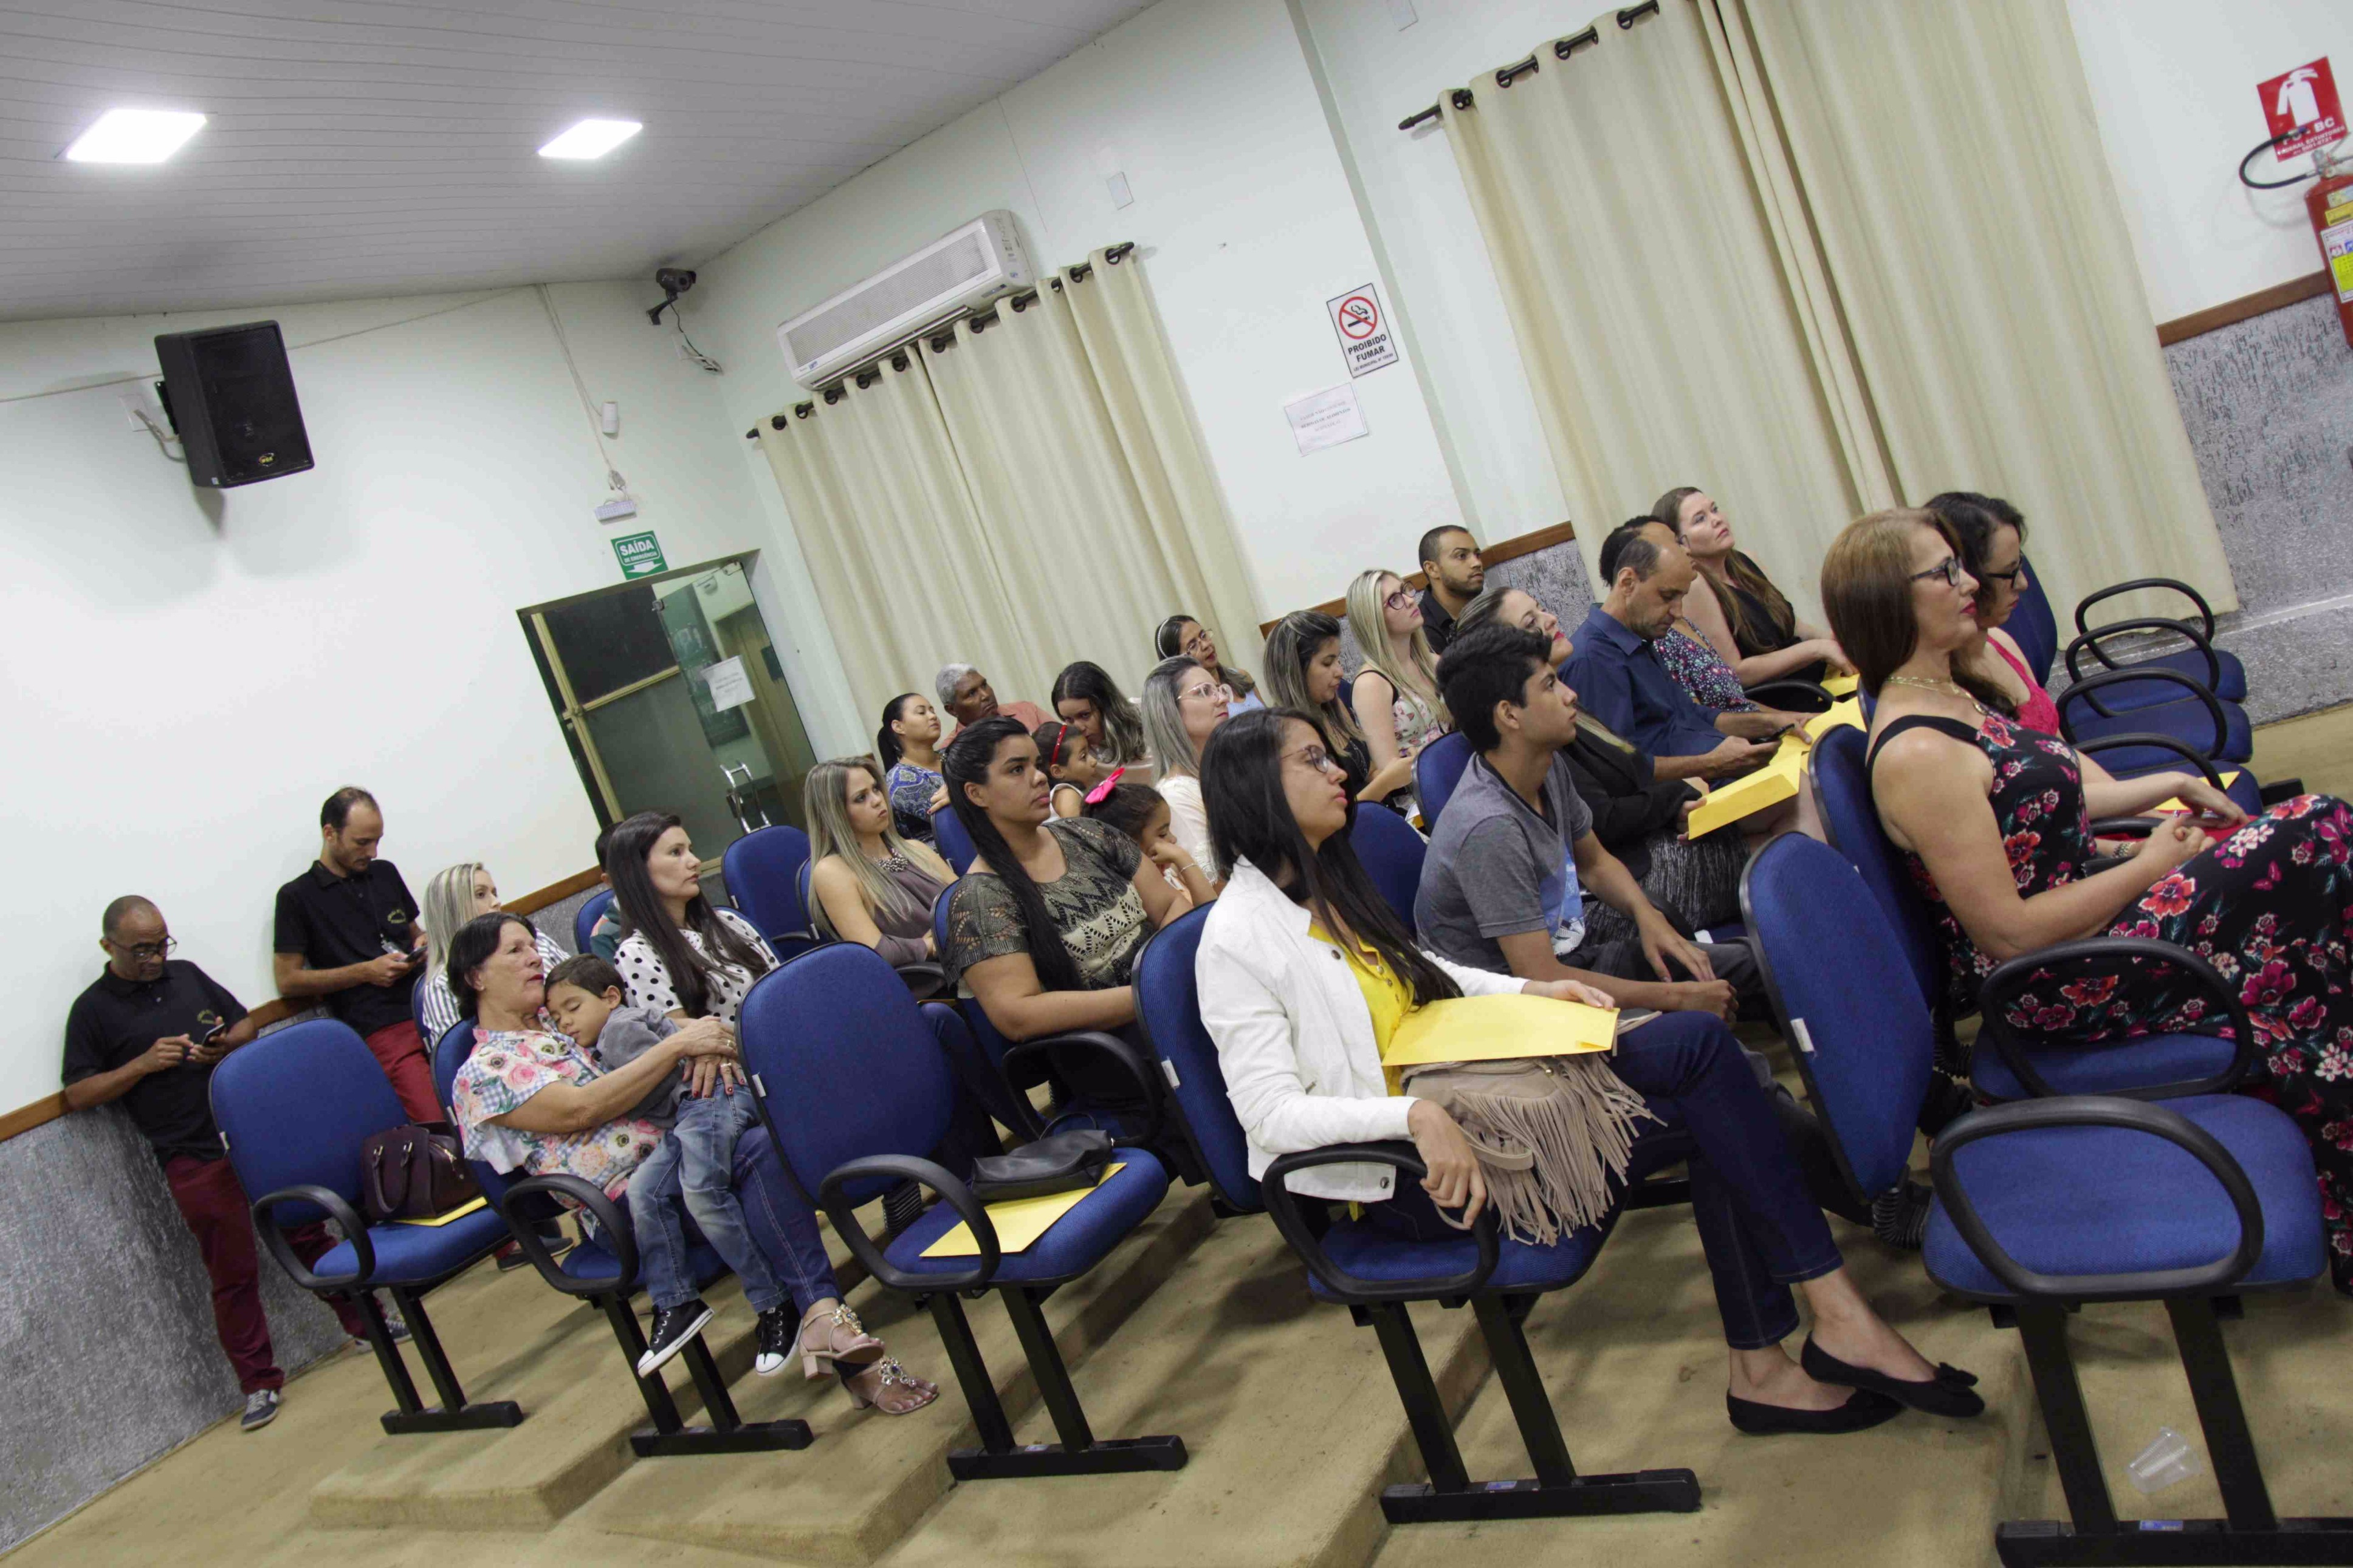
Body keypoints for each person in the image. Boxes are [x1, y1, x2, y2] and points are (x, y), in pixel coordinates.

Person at [1193, 708, 1979, 1432]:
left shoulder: (1329, 880)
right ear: (1255, 786)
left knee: (1702, 1055)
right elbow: (1267, 1115)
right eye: (1310, 760)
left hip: (1482, 1098)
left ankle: (1810, 1332)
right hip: (1417, 1179)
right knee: (1716, 1094)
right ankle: (1804, 1334)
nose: (1338, 770)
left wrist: (1534, 990)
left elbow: (1423, 972)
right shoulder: (1236, 939)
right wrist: (1412, 1118)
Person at [1827, 508, 2353, 1290]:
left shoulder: (1947, 691)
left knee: (2308, 878)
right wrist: (2148, 863)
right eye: (1942, 572)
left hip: (2094, 923)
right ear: (1886, 601)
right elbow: (2008, 934)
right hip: (2062, 980)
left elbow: (2043, 811)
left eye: (1958, 565)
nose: (1967, 583)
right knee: (2315, 833)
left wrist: (2168, 788)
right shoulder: (1918, 752)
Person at [446, 913, 937, 1411]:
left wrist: (703, 1049)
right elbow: (581, 1109)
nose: (534, 956)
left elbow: (662, 1029)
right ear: (476, 976)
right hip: (630, 1203)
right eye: (515, 950)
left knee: (758, 1145)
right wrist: (678, 1048)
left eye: (532, 945)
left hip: (684, 1148)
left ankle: (826, 1323)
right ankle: (833, 1329)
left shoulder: (561, 1016)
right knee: (762, 1159)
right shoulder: (484, 1071)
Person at [64, 896, 383, 1433]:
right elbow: (78, 1093)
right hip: (190, 1154)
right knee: (232, 1271)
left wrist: (222, 1047)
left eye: (161, 944)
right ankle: (259, 1382)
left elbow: (244, 1025)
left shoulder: (187, 974)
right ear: (108, 946)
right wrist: (142, 1064)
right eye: (141, 950)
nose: (155, 958)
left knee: (308, 1232)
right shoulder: (92, 1009)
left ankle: (367, 1323)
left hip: (251, 1135)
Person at [1419, 625, 1750, 1020]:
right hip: (1521, 1013)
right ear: (1509, 714)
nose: (1570, 694)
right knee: (1701, 1021)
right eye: (1550, 685)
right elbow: (1541, 979)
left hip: (1568, 957)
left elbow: (1595, 862)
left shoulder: (1545, 764)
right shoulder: (1489, 828)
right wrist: (1678, 998)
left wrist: (1647, 915)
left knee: (1750, 965)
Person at [543, 953, 791, 1376]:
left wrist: (602, 1108)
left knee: (703, 1195)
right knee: (644, 1193)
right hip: (688, 1117)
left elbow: (664, 1073)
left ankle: (774, 1302)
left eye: (573, 1007)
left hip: (709, 1100)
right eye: (556, 1017)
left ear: (611, 997)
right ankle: (676, 1302)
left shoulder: (618, 1029)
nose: (566, 1022)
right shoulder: (609, 1036)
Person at [1454, 588, 1743, 936]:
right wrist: (1682, 791)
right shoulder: (1535, 734)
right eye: (1531, 622)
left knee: (1777, 809)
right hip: (1628, 865)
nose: (1551, 619)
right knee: (1775, 840)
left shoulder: (1562, 699)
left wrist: (1691, 782)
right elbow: (1602, 822)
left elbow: (1635, 766)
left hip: (1637, 847)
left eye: (1542, 608)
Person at [938, 717, 1187, 1050]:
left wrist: (1176, 971)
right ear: (976, 793)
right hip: (1117, 1046)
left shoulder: (1088, 833)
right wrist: (1152, 993)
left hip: (1176, 997)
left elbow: (1170, 905)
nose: (1040, 777)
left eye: (1037, 764)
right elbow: (1019, 1015)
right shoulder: (981, 899)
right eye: (1017, 769)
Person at [1562, 523, 1794, 782]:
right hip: (1701, 792)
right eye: (1667, 596)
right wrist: (1713, 764)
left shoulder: (1640, 637)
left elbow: (1692, 715)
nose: (1678, 612)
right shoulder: (1591, 659)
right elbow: (1624, 771)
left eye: (1681, 597)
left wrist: (1773, 722)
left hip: (1723, 768)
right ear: (1627, 583)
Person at [273, 787, 438, 1123]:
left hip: (431, 1004)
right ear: (330, 833)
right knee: (435, 1117)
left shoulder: (385, 873)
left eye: (377, 841)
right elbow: (288, 980)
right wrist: (365, 972)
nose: (372, 852)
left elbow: (413, 932)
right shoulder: (297, 897)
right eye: (362, 843)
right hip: (381, 1026)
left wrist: (422, 942)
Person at [1656, 486, 1850, 688]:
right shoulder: (1695, 587)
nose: (1717, 519)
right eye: (1700, 519)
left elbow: (1792, 627)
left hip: (1817, 678)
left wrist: (1832, 639)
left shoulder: (1747, 560)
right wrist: (1817, 649)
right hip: (1786, 695)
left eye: (1714, 509)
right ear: (1680, 544)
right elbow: (1736, 672)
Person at [605, 812, 774, 1030]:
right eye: (676, 852)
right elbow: (679, 1035)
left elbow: (783, 983)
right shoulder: (636, 953)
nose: (695, 862)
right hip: (740, 1048)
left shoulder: (728, 921)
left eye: (690, 850)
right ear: (638, 871)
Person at [803, 757, 957, 987]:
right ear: (834, 814)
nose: (877, 800)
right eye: (861, 798)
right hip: (935, 983)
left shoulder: (915, 849)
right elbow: (878, 951)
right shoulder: (832, 871)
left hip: (975, 956)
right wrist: (932, 944)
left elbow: (972, 898)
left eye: (876, 789)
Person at [1925, 491, 2060, 734]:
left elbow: (2060, 748)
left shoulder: (1999, 641)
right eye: (2009, 573)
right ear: (1962, 578)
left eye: (2019, 566)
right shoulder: (1941, 693)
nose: (2023, 584)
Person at [1260, 609, 1411, 810]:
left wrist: (1401, 770)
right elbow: (1331, 813)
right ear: (1296, 670)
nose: (1340, 671)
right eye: (1327, 663)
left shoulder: (1332, 703)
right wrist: (1388, 781)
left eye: (1338, 660)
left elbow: (1369, 771)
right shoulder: (1285, 737)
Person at [417, 863, 567, 1046]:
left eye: (495, 893)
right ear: (451, 910)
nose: (496, 902)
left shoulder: (536, 938)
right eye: (481, 894)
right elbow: (459, 1052)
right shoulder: (441, 985)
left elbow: (579, 986)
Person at [1345, 569, 1451, 820]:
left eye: (1406, 590)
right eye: (1394, 599)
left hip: (1455, 775)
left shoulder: (1432, 662)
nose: (1411, 600)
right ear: (1374, 620)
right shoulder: (1372, 684)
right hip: (1420, 804)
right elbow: (1391, 773)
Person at [1140, 654, 1234, 882]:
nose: (1222, 699)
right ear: (1169, 711)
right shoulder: (1176, 795)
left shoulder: (1226, 769)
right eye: (1204, 691)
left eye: (1219, 689)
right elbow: (1215, 885)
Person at [1083, 778, 1217, 915]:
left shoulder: (1171, 872)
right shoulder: (1144, 896)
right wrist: (1184, 859)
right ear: (1129, 844)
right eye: (1163, 834)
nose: (1173, 839)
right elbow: (1210, 916)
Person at [1051, 660, 1151, 771]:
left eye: (1085, 715)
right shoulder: (1071, 749)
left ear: (1108, 706)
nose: (1079, 728)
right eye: (1068, 719)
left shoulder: (1148, 716)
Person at [1155, 614, 1263, 716]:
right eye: (1193, 646)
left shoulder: (1241, 676)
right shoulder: (1192, 705)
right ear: (1177, 661)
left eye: (1203, 636)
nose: (1206, 645)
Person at [878, 693, 950, 841]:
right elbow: (954, 817)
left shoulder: (952, 754)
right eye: (921, 712)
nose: (933, 716)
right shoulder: (901, 780)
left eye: (932, 711)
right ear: (899, 727)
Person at [1415, 526, 1486, 654]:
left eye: (1477, 555)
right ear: (1432, 569)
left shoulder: (1491, 610)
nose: (1477, 563)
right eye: (1462, 556)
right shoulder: (1421, 633)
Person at [936, 664, 1047, 735]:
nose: (985, 695)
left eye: (984, 685)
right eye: (972, 693)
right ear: (952, 710)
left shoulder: (1027, 710)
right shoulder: (952, 752)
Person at [1034, 720, 1108, 818]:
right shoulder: (1067, 795)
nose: (1094, 761)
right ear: (1058, 771)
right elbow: (1081, 827)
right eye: (1083, 757)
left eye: (1089, 752)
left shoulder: (1077, 789)